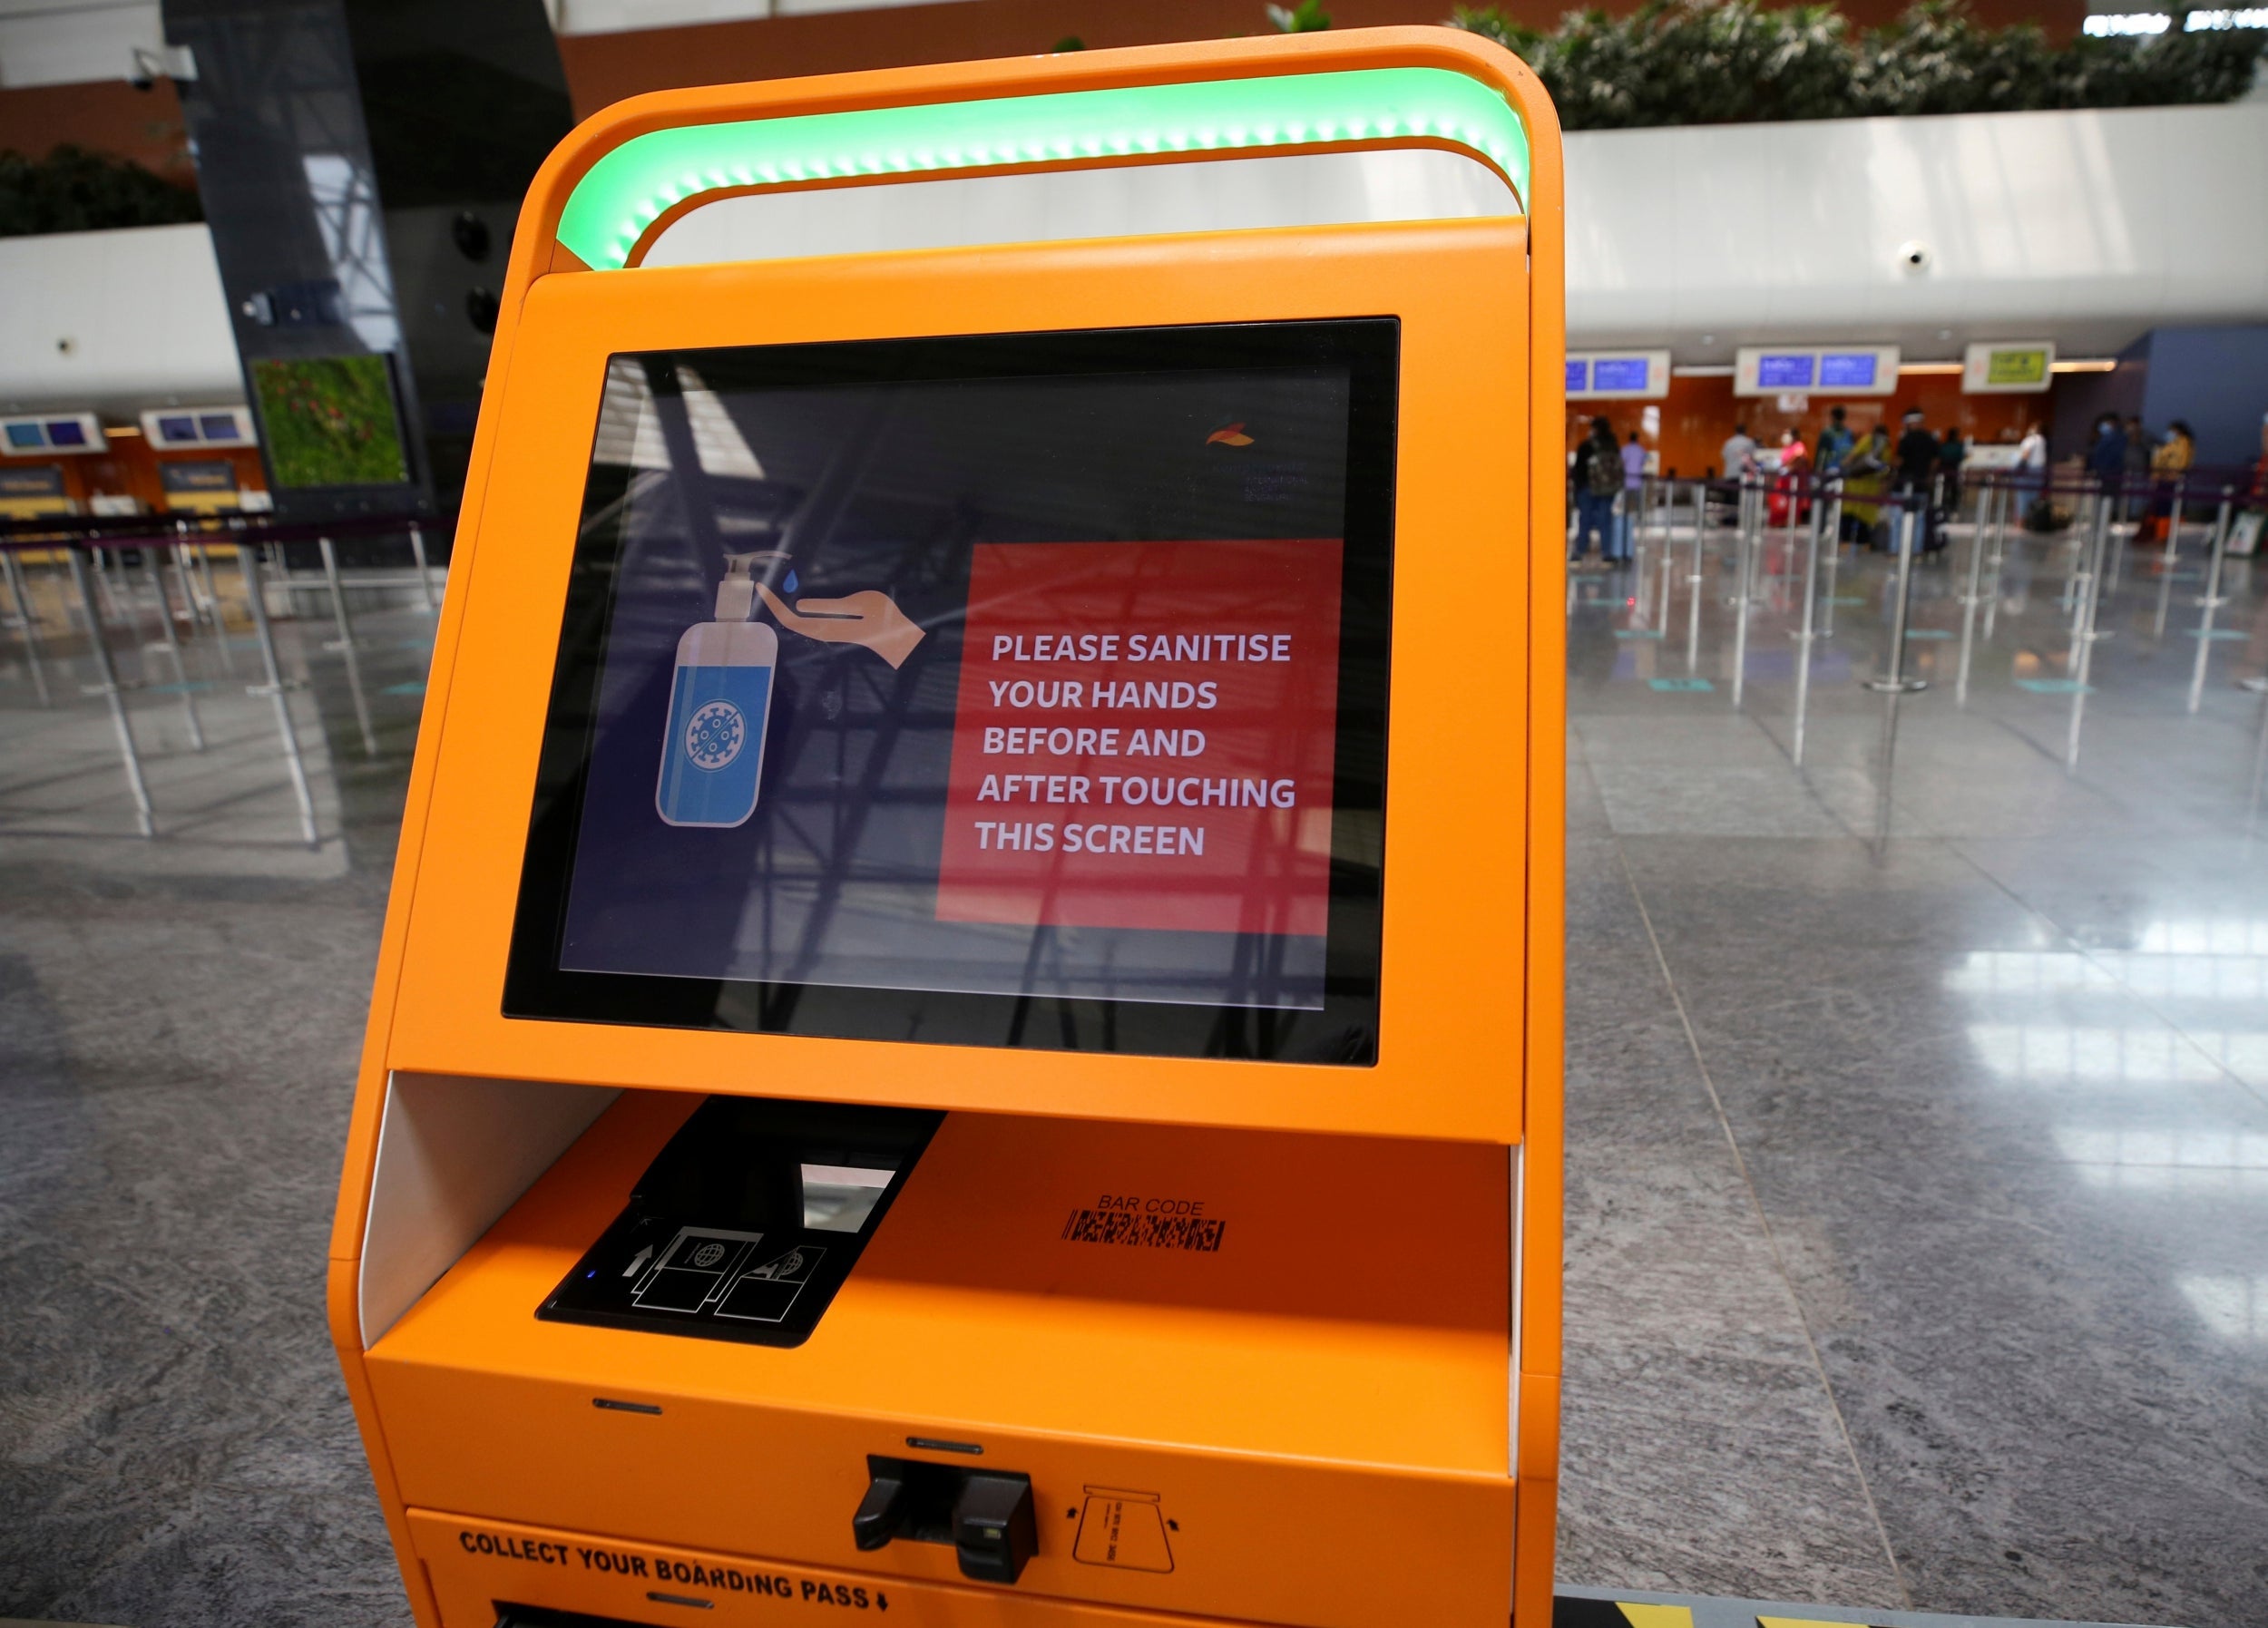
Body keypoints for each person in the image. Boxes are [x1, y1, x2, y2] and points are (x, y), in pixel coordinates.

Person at [1569, 415, 1622, 567]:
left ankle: (1579, 554)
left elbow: (1578, 470)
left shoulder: (1586, 445)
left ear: (1594, 429)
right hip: (1607, 491)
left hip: (1587, 489)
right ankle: (1606, 555)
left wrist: (1578, 489)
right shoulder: (1613, 445)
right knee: (1605, 522)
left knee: (1585, 521)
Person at [1893, 406, 1940, 551]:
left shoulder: (1906, 439)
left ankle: (1896, 550)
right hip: (1921, 484)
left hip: (1904, 483)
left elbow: (1898, 461)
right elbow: (1935, 461)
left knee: (1898, 519)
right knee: (1919, 520)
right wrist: (1929, 476)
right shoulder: (1931, 438)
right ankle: (1916, 550)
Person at [1842, 423, 1891, 546]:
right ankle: (1863, 542)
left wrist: (1844, 467)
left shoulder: (1867, 440)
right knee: (1865, 517)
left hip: (1855, 483)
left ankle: (1845, 541)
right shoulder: (1887, 447)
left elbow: (1852, 456)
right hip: (1871, 486)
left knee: (1848, 514)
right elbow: (1885, 471)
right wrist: (1882, 490)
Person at [1769, 426, 1809, 527]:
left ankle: (1791, 521)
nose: (1784, 436)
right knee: (1779, 500)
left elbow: (1799, 458)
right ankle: (1779, 521)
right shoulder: (1786, 448)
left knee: (1794, 502)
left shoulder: (1799, 446)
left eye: (1787, 433)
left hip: (1794, 480)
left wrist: (1789, 467)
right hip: (1784, 480)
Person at [1618, 429, 1647, 557]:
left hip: (1627, 480)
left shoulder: (1626, 449)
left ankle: (1626, 515)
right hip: (1638, 480)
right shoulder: (1641, 450)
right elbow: (1644, 461)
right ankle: (1639, 518)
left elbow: (1621, 461)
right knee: (1638, 502)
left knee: (1626, 504)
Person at [1937, 424, 1967, 520]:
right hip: (1954, 469)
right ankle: (1953, 509)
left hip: (1944, 469)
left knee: (1944, 489)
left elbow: (1940, 457)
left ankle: (1942, 507)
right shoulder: (1959, 446)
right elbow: (1961, 457)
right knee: (1954, 490)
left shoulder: (1944, 445)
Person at [1815, 405, 1854, 476]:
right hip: (1846, 470)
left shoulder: (1827, 433)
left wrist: (1818, 471)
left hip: (1831, 470)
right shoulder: (1848, 433)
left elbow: (1822, 453)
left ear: (1832, 417)